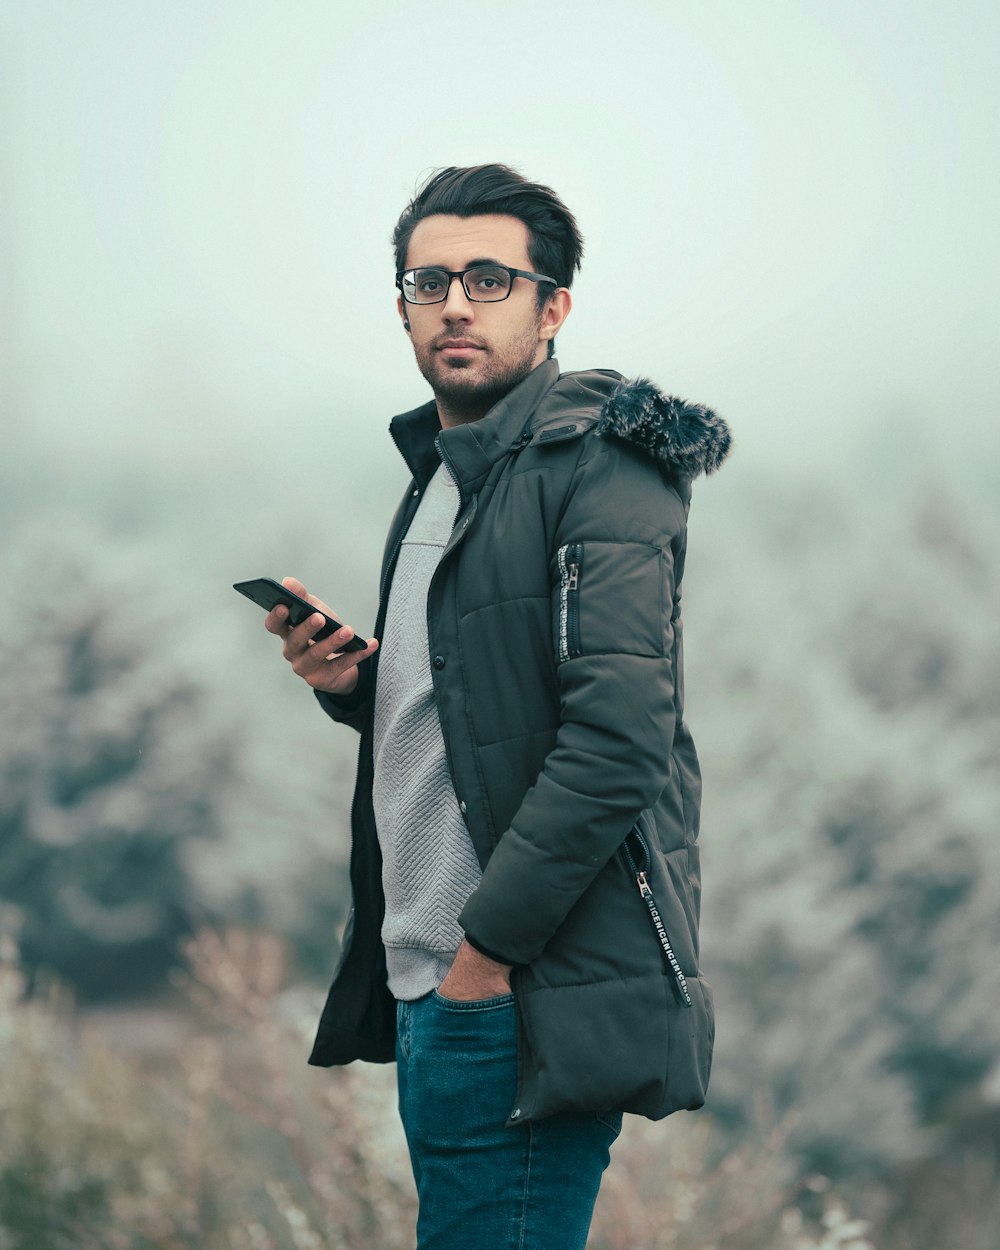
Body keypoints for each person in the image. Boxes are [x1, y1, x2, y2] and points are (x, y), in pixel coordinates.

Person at [264, 164, 731, 1250]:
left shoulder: (602, 461)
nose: (456, 304)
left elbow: (619, 739)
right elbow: (481, 702)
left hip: (517, 991)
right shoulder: (448, 469)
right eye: (429, 280)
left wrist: (485, 959)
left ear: (552, 303)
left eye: (489, 277)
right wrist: (360, 689)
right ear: (401, 306)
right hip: (436, 980)